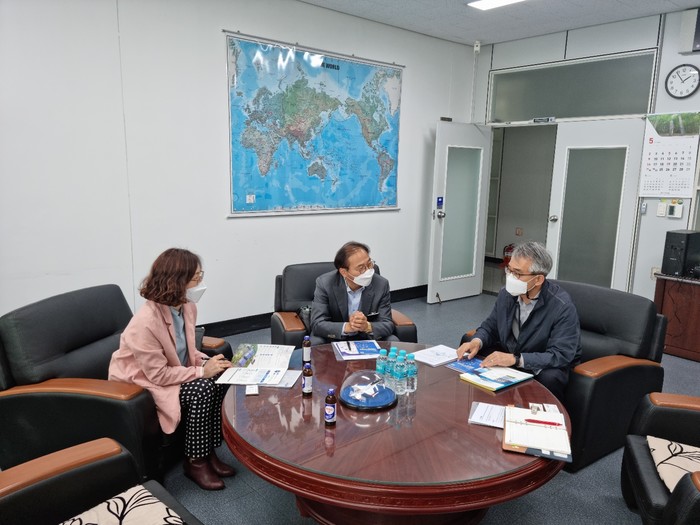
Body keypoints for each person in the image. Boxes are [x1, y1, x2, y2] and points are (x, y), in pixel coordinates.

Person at [109, 248, 235, 491]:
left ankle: (209, 451)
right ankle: (196, 462)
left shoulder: (186, 307)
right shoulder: (145, 323)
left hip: (170, 372)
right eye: (196, 278)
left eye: (200, 275)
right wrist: (201, 372)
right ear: (177, 282)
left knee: (220, 376)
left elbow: (186, 349)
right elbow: (158, 375)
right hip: (142, 385)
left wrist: (207, 362)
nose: (201, 283)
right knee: (201, 389)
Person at [456, 241, 581, 402]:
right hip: (513, 351)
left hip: (540, 361)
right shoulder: (507, 294)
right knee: (471, 347)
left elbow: (560, 354)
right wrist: (476, 342)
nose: (510, 277)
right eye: (509, 270)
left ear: (538, 279)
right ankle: (485, 405)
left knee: (551, 377)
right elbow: (491, 326)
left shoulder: (562, 306)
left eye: (518, 273)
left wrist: (515, 359)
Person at [309, 241, 399, 345]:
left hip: (367, 337)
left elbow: (387, 324)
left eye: (369, 264)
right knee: (315, 343)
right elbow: (317, 323)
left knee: (394, 341)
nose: (368, 271)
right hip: (336, 337)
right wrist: (348, 327)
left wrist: (367, 326)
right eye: (361, 268)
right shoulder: (325, 283)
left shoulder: (381, 284)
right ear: (344, 272)